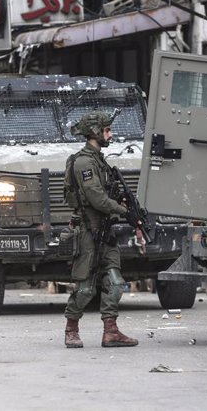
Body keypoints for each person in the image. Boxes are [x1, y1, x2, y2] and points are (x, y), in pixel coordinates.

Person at [63, 111, 139, 348]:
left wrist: (123, 205)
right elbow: (96, 198)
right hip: (87, 232)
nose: (111, 134)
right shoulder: (84, 162)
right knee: (85, 289)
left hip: (106, 232)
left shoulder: (99, 160)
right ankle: (71, 329)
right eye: (107, 130)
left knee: (115, 283)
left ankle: (111, 331)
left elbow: (106, 194)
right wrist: (122, 211)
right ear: (95, 132)